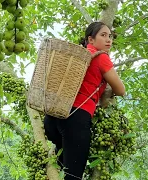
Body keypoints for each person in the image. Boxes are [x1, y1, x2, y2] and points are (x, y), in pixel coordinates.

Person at [43, 21, 125, 180]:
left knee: (59, 167)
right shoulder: (101, 58)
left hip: (52, 117)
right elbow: (121, 90)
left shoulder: (77, 56)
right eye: (103, 35)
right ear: (91, 40)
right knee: (73, 176)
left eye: (110, 36)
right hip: (76, 118)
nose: (109, 40)